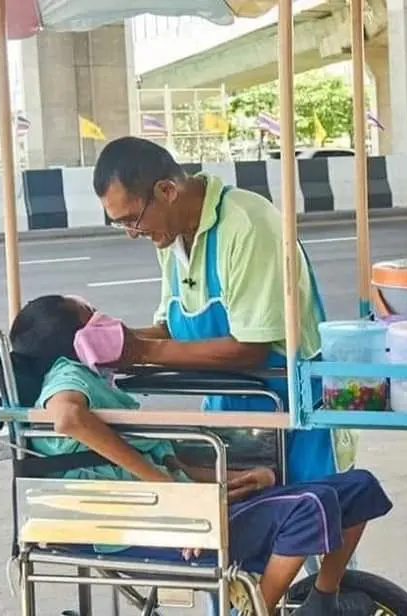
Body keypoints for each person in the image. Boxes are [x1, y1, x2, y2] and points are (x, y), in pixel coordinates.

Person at [9, 294, 392, 614]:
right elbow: (68, 418)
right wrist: (175, 496)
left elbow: (163, 458)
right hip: (141, 521)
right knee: (310, 506)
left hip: (178, 502)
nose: (103, 318)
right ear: (75, 340)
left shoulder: (96, 379)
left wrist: (232, 478)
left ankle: (322, 603)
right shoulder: (67, 376)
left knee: (359, 487)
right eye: (90, 314)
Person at [91, 136, 354, 484]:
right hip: (231, 416)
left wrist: (140, 351)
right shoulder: (170, 235)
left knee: (306, 510)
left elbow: (250, 347)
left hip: (294, 417)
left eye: (132, 220)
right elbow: (172, 329)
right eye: (121, 224)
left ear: (167, 191)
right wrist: (112, 341)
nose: (131, 233)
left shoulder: (247, 224)